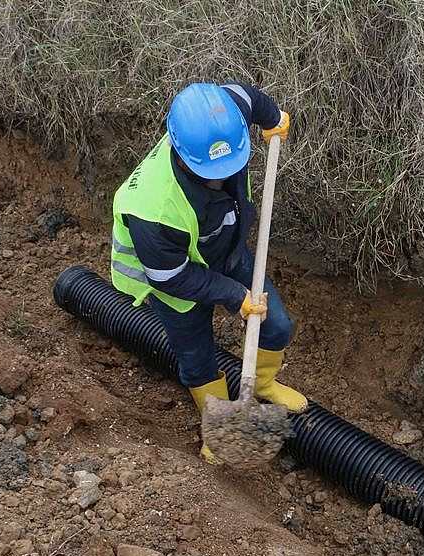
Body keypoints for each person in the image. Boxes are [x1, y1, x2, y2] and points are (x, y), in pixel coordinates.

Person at [109, 82, 306, 463]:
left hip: (224, 248)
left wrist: (271, 119)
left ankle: (262, 383)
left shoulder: (226, 115)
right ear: (183, 156)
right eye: (212, 173)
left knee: (277, 324)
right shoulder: (151, 209)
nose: (222, 177)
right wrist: (234, 297)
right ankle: (217, 423)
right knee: (197, 356)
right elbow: (172, 277)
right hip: (174, 280)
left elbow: (249, 97)